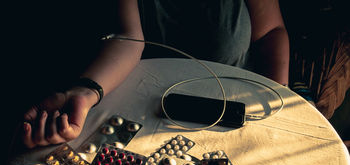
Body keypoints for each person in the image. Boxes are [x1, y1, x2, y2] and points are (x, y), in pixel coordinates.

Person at [21, 0, 289, 148]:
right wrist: (84, 92)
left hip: (234, 120)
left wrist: (280, 100)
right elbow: (127, 38)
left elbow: (270, 33)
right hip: (146, 123)